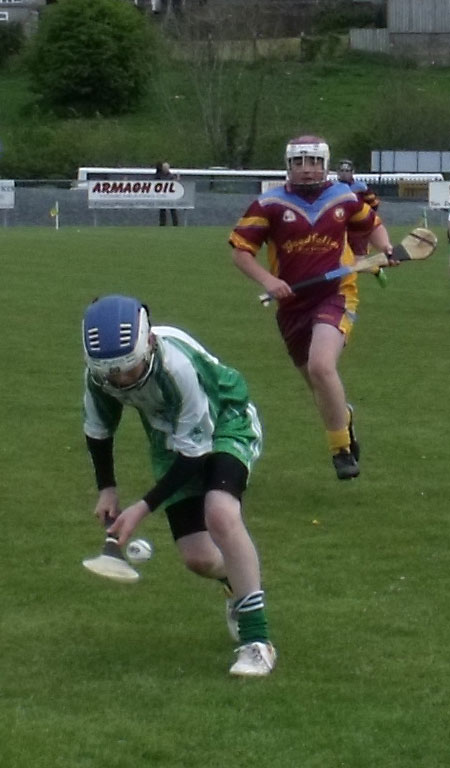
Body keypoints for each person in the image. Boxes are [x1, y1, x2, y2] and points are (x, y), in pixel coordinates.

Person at [81, 294, 276, 677]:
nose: (120, 380)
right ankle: (236, 586)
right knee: (198, 558)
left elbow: (197, 452)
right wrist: (108, 488)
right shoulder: (101, 373)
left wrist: (142, 507)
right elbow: (98, 429)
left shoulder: (176, 366)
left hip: (226, 422)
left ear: (149, 343)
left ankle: (257, 641)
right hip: (172, 439)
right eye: (111, 374)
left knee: (221, 512)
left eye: (129, 370)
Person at [229, 135, 394, 480]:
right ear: (288, 166)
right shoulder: (268, 204)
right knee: (318, 384)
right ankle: (343, 417)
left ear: (326, 164)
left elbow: (372, 225)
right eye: (299, 162)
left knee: (322, 367)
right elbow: (241, 252)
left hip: (336, 294)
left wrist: (387, 249)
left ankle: (341, 450)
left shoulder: (343, 198)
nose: (307, 170)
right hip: (291, 306)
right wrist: (268, 281)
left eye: (314, 162)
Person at [336, 159, 386, 286]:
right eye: (341, 170)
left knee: (357, 263)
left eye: (347, 171)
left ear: (353, 172)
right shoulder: (333, 188)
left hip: (358, 229)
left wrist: (366, 219)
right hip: (341, 228)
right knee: (340, 260)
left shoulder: (361, 187)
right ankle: (340, 286)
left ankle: (375, 269)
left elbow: (374, 204)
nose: (344, 173)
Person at [154, 161, 179, 227]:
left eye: (166, 167)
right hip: (163, 196)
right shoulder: (159, 176)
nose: (165, 169)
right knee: (162, 209)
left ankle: (175, 224)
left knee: (173, 209)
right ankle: (162, 224)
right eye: (164, 167)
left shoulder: (171, 176)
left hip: (170, 196)